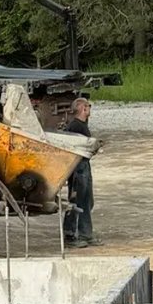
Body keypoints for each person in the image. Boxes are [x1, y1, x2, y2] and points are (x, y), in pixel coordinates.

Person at [62, 97, 95, 247]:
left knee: (87, 200)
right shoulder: (76, 126)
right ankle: (72, 235)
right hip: (78, 168)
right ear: (83, 108)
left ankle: (85, 233)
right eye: (88, 106)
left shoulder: (80, 125)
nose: (90, 109)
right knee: (77, 200)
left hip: (83, 166)